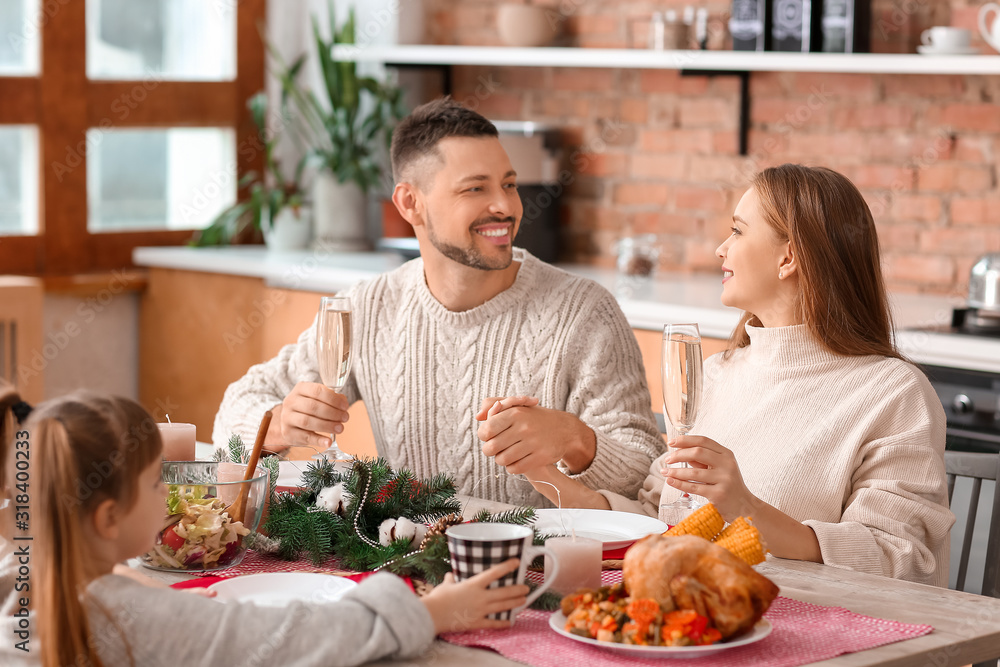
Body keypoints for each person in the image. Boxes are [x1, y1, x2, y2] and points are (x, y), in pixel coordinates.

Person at [213, 98, 663, 506]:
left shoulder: (583, 312)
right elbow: (238, 405)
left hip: (542, 569)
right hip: (403, 562)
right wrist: (276, 425)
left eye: (508, 184)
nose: (505, 206)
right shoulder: (367, 307)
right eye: (476, 189)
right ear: (411, 203)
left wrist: (575, 439)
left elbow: (648, 474)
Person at [520, 164, 955, 586]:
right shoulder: (715, 375)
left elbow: (901, 560)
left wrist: (744, 507)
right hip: (697, 623)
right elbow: (660, 520)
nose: (720, 249)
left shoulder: (894, 394)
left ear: (789, 257)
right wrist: (540, 472)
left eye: (738, 230)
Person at [0, 390, 529, 666]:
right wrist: (429, 610)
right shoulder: (130, 618)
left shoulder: (22, 582)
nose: (170, 497)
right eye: (156, 485)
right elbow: (286, 641)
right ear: (108, 517)